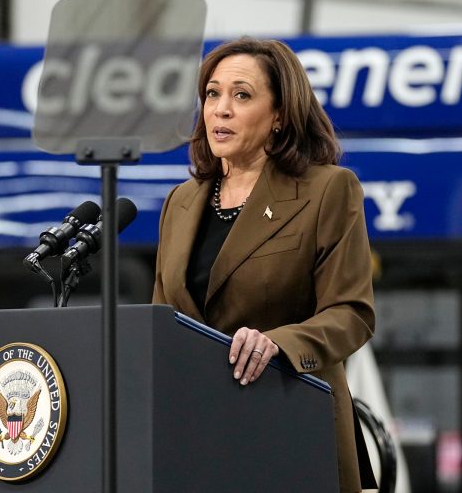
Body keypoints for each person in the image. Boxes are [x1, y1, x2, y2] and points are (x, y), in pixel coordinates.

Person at [152, 37, 377, 493]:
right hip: (200, 436)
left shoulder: (328, 189)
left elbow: (352, 313)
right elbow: (163, 321)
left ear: (280, 116)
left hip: (290, 420)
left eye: (242, 95)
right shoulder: (180, 202)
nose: (221, 110)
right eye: (212, 94)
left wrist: (278, 344)